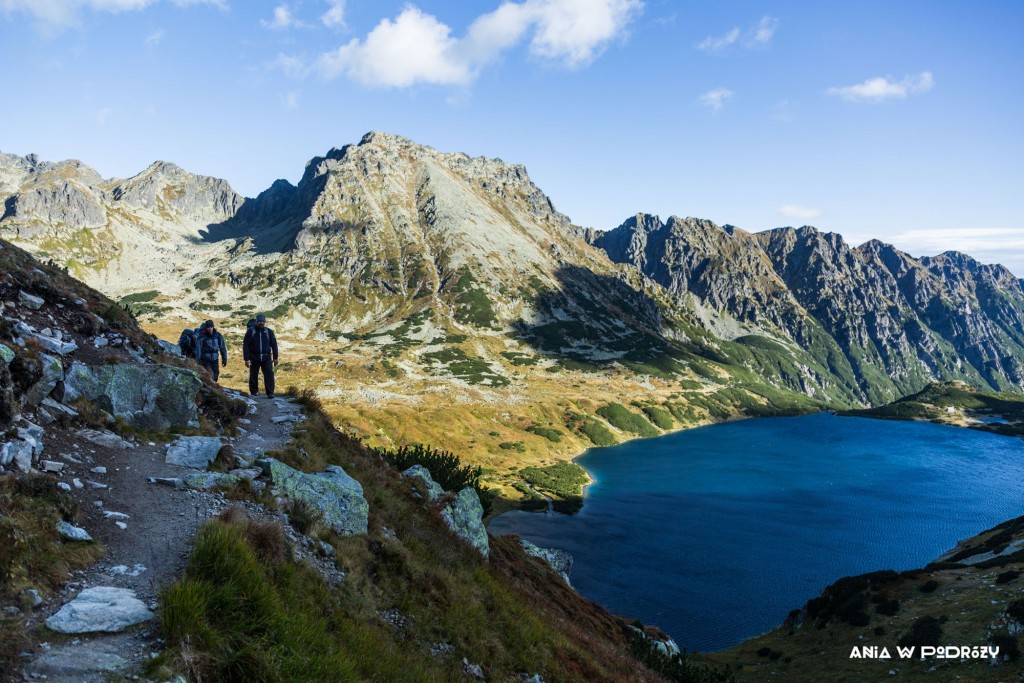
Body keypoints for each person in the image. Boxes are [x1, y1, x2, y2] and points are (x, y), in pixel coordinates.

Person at [244, 313, 278, 398]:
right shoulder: (251, 331)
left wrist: (275, 357)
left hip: (266, 357)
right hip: (254, 357)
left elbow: (274, 345)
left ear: (265, 322)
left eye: (262, 321)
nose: (261, 323)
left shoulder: (269, 332)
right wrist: (246, 359)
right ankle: (253, 392)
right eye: (259, 321)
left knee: (269, 374)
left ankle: (270, 393)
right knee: (253, 375)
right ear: (256, 321)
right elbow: (245, 345)